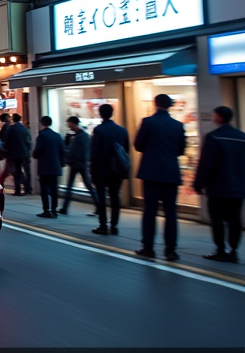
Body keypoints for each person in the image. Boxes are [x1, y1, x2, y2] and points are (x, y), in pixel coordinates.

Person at [134, 94, 186, 261]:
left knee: (150, 210)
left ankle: (148, 247)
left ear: (155, 104)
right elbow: (181, 150)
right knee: (170, 211)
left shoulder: (148, 122)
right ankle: (171, 250)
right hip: (171, 172)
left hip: (151, 172)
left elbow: (138, 145)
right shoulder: (178, 125)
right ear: (170, 105)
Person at [192, 106, 245, 263]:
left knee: (217, 219)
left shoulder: (213, 137)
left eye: (214, 115)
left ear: (220, 118)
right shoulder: (242, 137)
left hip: (218, 187)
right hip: (239, 187)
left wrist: (198, 184)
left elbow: (206, 164)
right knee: (234, 219)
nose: (213, 118)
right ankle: (233, 250)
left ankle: (220, 250)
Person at [89, 103, 129, 236]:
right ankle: (114, 225)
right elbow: (126, 150)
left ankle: (103, 225)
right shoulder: (122, 130)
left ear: (100, 114)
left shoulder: (99, 130)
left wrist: (92, 171)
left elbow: (94, 153)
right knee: (115, 197)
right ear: (112, 113)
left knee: (101, 197)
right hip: (116, 169)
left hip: (102, 169)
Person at [59, 116, 98, 216]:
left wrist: (80, 161)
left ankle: (99, 206)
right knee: (70, 186)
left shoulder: (83, 136)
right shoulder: (76, 135)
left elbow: (85, 151)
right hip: (75, 164)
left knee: (88, 185)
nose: (69, 126)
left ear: (73, 123)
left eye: (69, 124)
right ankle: (64, 208)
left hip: (80, 164)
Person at [32, 116, 66, 218]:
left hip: (45, 167)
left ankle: (46, 210)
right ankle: (54, 210)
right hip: (55, 166)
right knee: (54, 189)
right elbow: (62, 151)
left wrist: (35, 154)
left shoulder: (42, 135)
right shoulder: (57, 135)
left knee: (45, 190)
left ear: (41, 123)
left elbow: (37, 152)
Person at [0, 113, 32, 195]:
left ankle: (18, 190)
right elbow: (28, 141)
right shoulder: (25, 129)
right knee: (24, 171)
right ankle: (27, 188)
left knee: (17, 172)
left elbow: (6, 141)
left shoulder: (11, 129)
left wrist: (5, 150)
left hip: (14, 153)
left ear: (13, 119)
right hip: (24, 153)